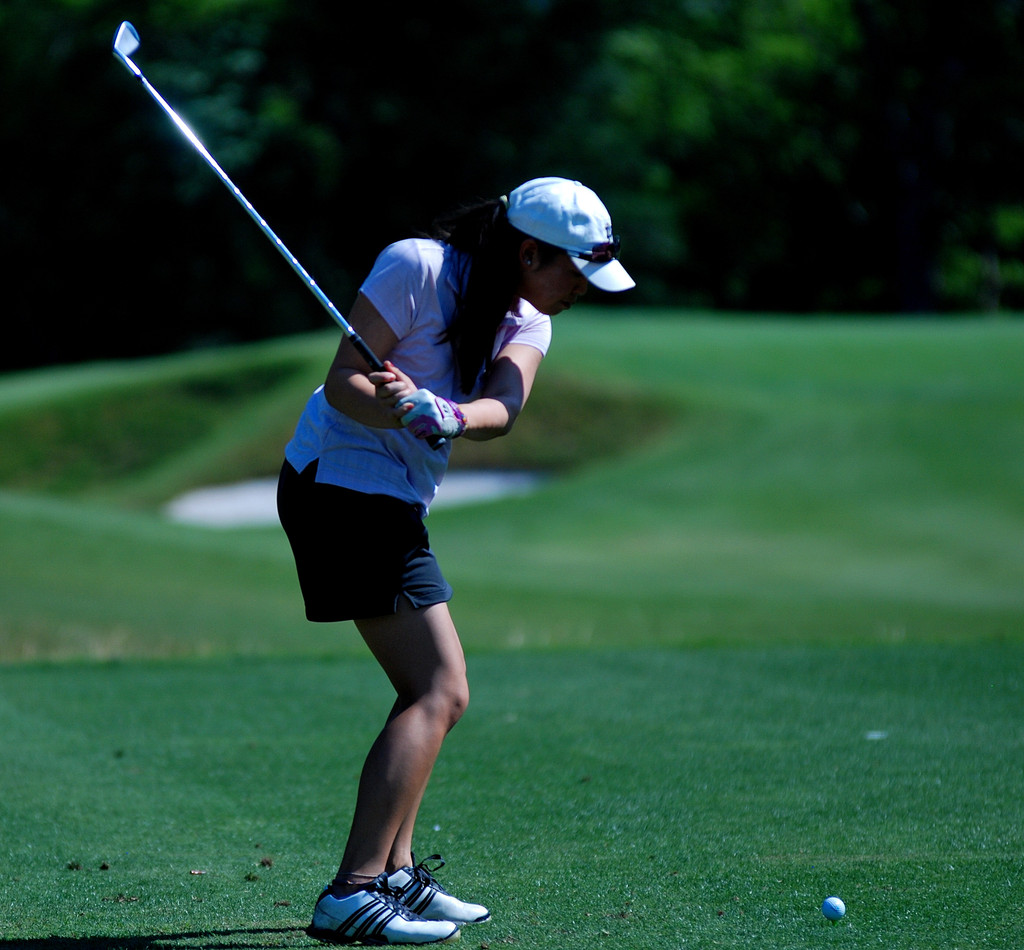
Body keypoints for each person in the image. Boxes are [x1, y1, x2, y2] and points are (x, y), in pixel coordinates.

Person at [276, 176, 635, 945]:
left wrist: (443, 412)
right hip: (336, 484)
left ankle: (395, 874)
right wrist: (391, 404)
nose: (582, 289)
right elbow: (344, 385)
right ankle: (356, 890)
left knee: (432, 689)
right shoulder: (415, 268)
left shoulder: (529, 318)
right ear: (530, 250)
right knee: (439, 687)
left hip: (389, 496)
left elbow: (502, 409)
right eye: (575, 270)